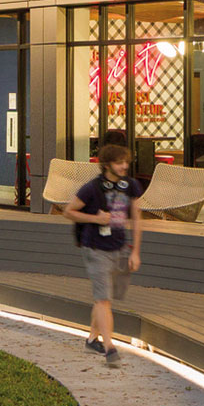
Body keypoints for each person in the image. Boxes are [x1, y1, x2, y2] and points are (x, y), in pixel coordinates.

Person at [64, 140, 143, 369]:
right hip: (95, 248)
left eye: (126, 162)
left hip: (119, 247)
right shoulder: (92, 188)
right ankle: (110, 348)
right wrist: (95, 219)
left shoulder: (131, 186)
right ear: (107, 164)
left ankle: (91, 339)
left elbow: (137, 219)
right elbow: (69, 211)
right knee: (103, 298)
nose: (124, 166)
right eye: (119, 163)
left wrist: (135, 251)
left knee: (104, 298)